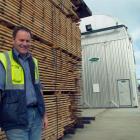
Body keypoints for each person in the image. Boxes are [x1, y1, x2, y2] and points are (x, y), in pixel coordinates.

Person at [0, 26, 48, 140]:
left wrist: (44, 115)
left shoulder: (34, 62)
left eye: (27, 41)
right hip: (14, 117)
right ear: (13, 40)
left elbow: (39, 90)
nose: (24, 44)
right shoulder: (4, 59)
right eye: (21, 40)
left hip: (35, 116)